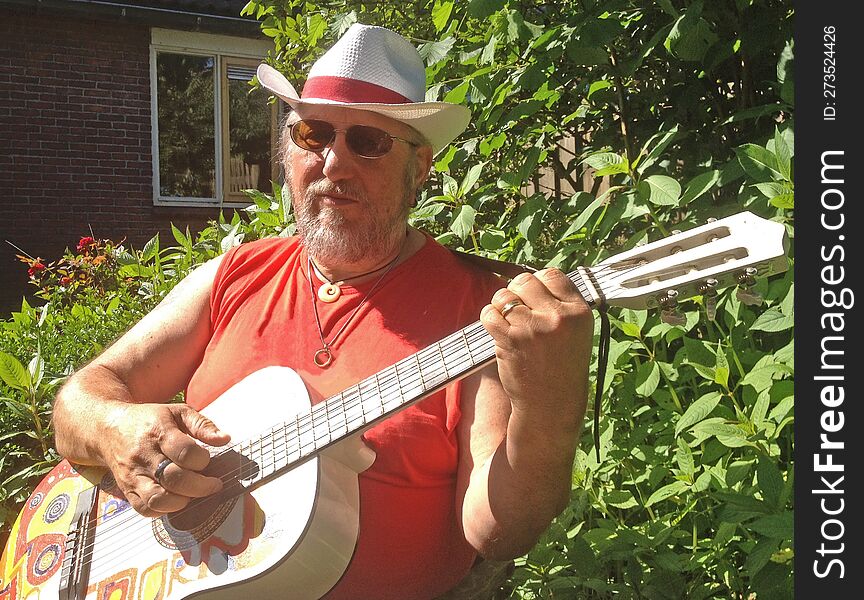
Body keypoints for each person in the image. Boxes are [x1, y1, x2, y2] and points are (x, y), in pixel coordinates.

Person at [52, 24, 594, 600]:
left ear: (419, 170)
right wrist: (118, 426)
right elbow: (79, 399)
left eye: (368, 141)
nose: (334, 163)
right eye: (312, 135)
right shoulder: (235, 274)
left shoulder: (482, 310)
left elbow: (496, 529)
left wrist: (549, 407)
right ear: (288, 154)